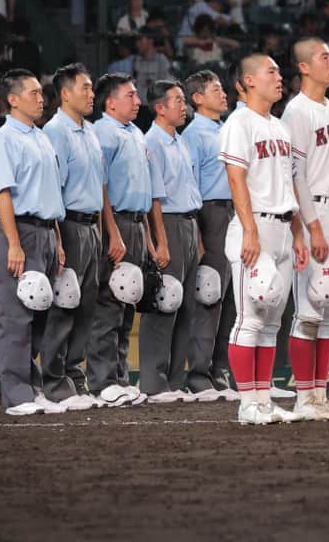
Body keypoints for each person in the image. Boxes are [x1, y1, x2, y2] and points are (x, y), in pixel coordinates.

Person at [219, 54, 309, 424]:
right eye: (270, 71)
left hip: (283, 229)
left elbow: (289, 185)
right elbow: (235, 178)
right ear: (247, 81)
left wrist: (299, 233)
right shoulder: (239, 122)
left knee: (271, 321)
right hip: (252, 227)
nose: (278, 77)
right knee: (249, 319)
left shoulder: (279, 127)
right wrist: (251, 232)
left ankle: (263, 398)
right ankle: (248, 404)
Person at [279, 38, 329, 421]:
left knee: (328, 309)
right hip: (317, 215)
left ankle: (320, 394)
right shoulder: (296, 112)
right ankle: (304, 396)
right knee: (309, 309)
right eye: (324, 57)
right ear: (304, 66)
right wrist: (313, 226)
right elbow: (296, 176)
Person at [0, 69, 66, 415]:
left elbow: (50, 193)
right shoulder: (4, 139)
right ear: (13, 99)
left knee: (40, 318)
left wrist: (58, 241)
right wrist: (14, 243)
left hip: (46, 231)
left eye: (41, 93)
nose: (41, 98)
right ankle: (17, 396)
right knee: (16, 318)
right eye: (33, 93)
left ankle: (32, 388)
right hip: (19, 231)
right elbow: (2, 194)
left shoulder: (40, 137)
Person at [39, 64, 113, 410]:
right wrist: (56, 239)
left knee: (85, 307)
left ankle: (73, 374)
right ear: (65, 93)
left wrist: (105, 230)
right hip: (67, 224)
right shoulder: (55, 132)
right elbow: (53, 188)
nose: (91, 94)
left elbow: (99, 185)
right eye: (84, 88)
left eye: (91, 89)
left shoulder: (91, 131)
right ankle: (53, 380)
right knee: (63, 304)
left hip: (91, 226)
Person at [87, 74, 159, 407]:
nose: (138, 101)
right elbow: (100, 187)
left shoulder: (135, 132)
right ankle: (102, 380)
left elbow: (142, 188)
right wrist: (112, 231)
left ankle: (117, 376)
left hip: (136, 223)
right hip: (115, 222)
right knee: (109, 302)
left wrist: (149, 237)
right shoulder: (102, 132)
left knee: (127, 302)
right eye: (130, 95)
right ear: (110, 102)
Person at [139, 80, 203, 403]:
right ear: (160, 108)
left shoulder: (179, 141)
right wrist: (161, 242)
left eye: (183, 100)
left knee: (187, 307)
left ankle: (175, 381)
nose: (184, 106)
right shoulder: (153, 142)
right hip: (171, 225)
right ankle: (153, 381)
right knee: (165, 303)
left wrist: (199, 238)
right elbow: (155, 199)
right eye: (177, 101)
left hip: (190, 223)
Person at [179, 71, 237, 401]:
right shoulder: (194, 135)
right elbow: (192, 183)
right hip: (211, 212)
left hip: (231, 210)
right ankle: (198, 374)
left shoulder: (224, 129)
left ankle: (219, 370)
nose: (223, 94)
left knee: (230, 299)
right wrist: (200, 230)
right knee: (210, 294)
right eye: (216, 90)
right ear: (198, 98)